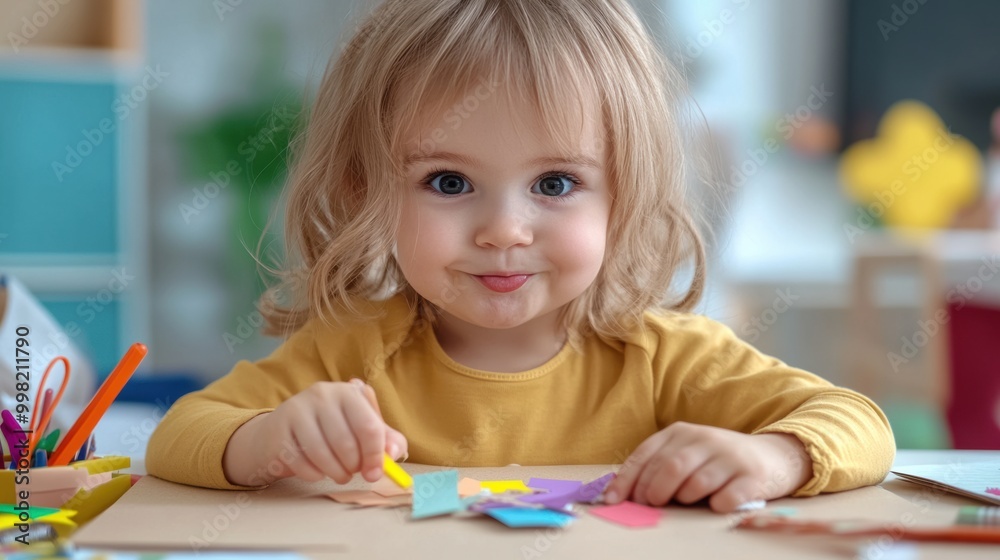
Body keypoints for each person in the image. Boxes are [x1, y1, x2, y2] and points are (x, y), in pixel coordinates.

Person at [147, 0, 894, 513]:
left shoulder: (663, 356)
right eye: (449, 182)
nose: (505, 230)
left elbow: (860, 426)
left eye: (556, 183)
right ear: (364, 189)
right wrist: (265, 442)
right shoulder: (353, 351)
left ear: (621, 192)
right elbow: (178, 435)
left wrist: (775, 459)